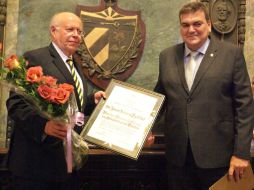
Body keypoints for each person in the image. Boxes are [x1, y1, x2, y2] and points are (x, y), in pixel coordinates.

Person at [154, 2, 254, 190]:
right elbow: (159, 98)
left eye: (197, 23)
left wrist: (241, 153)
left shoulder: (231, 55)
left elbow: (245, 106)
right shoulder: (166, 56)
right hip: (178, 159)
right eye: (185, 25)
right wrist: (143, 129)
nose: (191, 29)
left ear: (209, 25)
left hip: (219, 159)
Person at [6, 12, 105, 190]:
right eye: (70, 29)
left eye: (79, 31)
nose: (76, 34)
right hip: (35, 165)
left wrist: (91, 101)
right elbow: (16, 104)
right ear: (53, 31)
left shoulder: (74, 63)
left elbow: (69, 106)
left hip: (65, 163)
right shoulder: (36, 57)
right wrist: (44, 126)